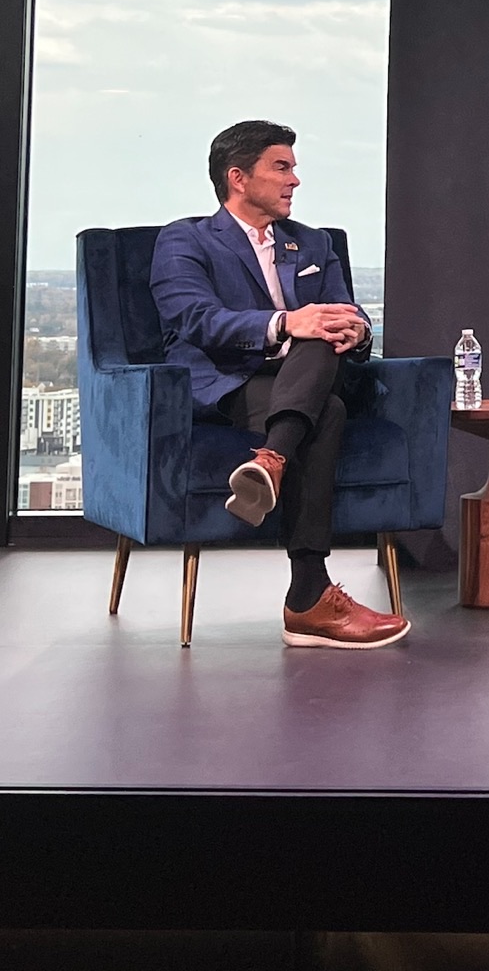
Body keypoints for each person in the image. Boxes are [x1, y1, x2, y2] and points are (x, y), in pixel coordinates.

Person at [149, 119, 409, 650]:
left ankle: (270, 459)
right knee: (325, 409)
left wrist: (355, 327)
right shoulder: (186, 238)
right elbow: (193, 318)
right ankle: (308, 598)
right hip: (229, 377)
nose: (295, 181)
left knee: (320, 336)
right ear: (238, 177)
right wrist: (287, 323)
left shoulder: (312, 242)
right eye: (282, 167)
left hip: (305, 372)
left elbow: (346, 310)